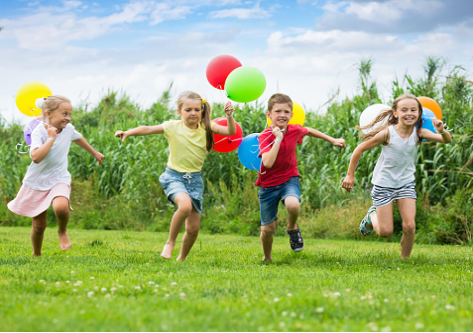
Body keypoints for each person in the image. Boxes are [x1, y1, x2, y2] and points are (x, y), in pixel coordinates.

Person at [115, 92, 236, 262]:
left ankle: (181, 259)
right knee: (185, 206)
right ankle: (170, 242)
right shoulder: (173, 126)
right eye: (188, 110)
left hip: (194, 181)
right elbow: (148, 129)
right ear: (179, 111)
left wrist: (229, 116)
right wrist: (128, 132)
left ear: (201, 111)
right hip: (174, 177)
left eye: (196, 109)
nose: (193, 113)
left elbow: (230, 131)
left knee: (193, 229)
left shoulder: (206, 127)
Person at [342, 94, 452, 259]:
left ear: (419, 113)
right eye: (404, 110)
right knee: (386, 232)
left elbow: (446, 140)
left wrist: (442, 130)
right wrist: (350, 175)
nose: (409, 113)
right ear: (395, 113)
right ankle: (372, 216)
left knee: (409, 226)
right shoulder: (388, 133)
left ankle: (404, 260)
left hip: (405, 185)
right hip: (384, 185)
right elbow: (360, 149)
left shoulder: (419, 132)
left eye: (414, 110)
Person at [8, 96, 105, 256]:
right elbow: (36, 157)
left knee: (61, 207)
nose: (68, 118)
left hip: (59, 178)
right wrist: (51, 138)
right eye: (64, 114)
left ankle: (62, 231)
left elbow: (78, 137)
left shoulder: (69, 129)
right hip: (37, 181)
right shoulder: (39, 131)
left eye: (69, 114)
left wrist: (94, 153)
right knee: (39, 225)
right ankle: (36, 253)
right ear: (49, 113)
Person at [257, 93, 346, 262]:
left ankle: (292, 227)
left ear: (291, 115)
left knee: (293, 204)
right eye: (278, 111)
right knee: (267, 229)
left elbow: (309, 131)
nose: (282, 115)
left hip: (288, 179)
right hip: (267, 185)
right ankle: (267, 257)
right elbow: (267, 163)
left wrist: (332, 139)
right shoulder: (265, 136)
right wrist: (278, 140)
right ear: (269, 114)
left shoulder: (295, 130)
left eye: (286, 111)